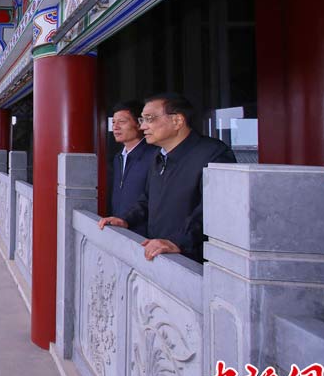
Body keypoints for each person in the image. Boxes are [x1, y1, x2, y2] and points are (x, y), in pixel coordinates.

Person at [98, 93, 235, 261]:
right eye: (142, 120)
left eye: (149, 119)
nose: (143, 127)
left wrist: (178, 241)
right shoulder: (159, 155)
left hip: (193, 261)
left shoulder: (213, 154)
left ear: (177, 121)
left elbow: (215, 210)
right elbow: (147, 199)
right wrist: (125, 220)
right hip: (159, 255)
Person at [107, 100, 156, 236]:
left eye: (122, 122)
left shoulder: (154, 156)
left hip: (144, 235)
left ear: (140, 124)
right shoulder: (118, 158)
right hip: (120, 230)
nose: (115, 127)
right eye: (113, 122)